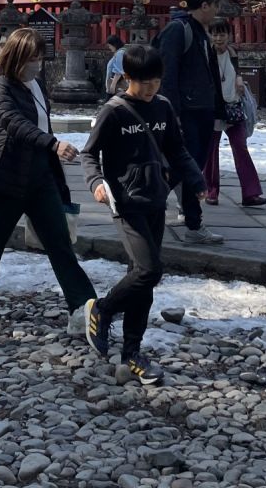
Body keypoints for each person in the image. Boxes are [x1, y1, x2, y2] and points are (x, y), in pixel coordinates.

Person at [80, 43, 206, 385]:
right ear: (126, 78)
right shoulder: (115, 111)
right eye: (144, 83)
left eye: (156, 82)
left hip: (155, 200)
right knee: (150, 271)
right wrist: (96, 183)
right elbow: (88, 154)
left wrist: (195, 180)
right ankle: (103, 310)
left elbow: (177, 149)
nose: (151, 89)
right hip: (125, 203)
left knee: (141, 277)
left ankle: (132, 353)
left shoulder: (163, 107)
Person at [0, 27, 95, 338]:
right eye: (32, 58)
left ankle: (83, 308)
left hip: (40, 177)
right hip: (6, 177)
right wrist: (54, 144)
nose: (37, 64)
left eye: (40, 58)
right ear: (17, 56)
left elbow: (37, 122)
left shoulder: (34, 84)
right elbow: (15, 124)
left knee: (60, 243)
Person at [157, 0, 224, 244]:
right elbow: (167, 73)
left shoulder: (201, 33)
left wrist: (218, 108)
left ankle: (189, 222)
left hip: (203, 110)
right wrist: (172, 111)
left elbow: (211, 76)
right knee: (185, 167)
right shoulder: (179, 30)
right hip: (186, 111)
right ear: (204, 5)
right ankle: (190, 224)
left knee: (189, 168)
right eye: (215, 5)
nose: (217, 11)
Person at [202, 20, 265, 208]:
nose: (218, 38)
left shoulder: (232, 53)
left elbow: (235, 72)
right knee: (211, 151)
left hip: (234, 107)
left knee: (240, 147)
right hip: (214, 109)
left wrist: (238, 78)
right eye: (215, 34)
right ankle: (211, 191)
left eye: (222, 34)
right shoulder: (206, 54)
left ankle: (250, 193)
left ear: (228, 35)